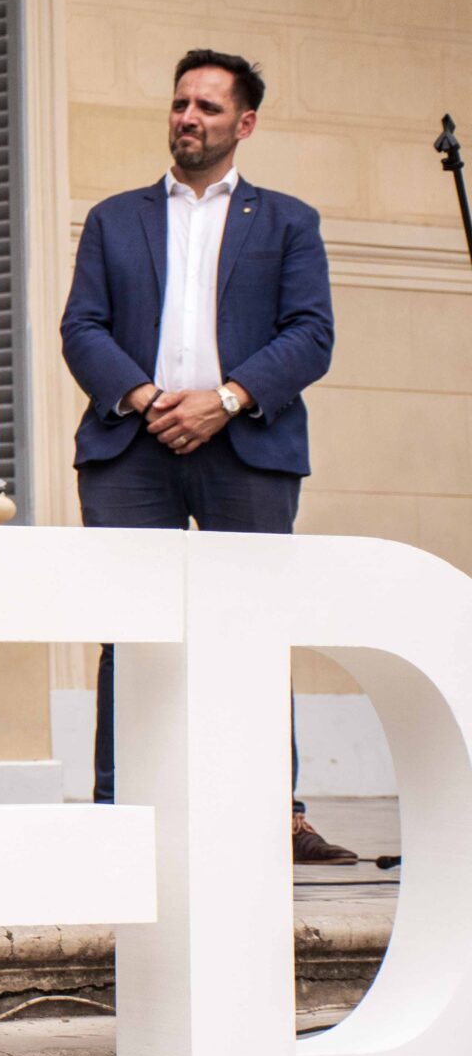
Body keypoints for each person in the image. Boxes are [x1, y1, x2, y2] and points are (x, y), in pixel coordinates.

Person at [61, 48, 351, 864]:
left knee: (253, 627)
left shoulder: (288, 221)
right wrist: (147, 397)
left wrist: (223, 400)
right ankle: (118, 808)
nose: (188, 117)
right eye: (180, 102)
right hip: (132, 446)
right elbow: (82, 327)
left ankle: (274, 812)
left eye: (209, 107)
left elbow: (311, 334)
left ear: (244, 123)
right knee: (129, 628)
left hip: (247, 445)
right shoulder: (114, 218)